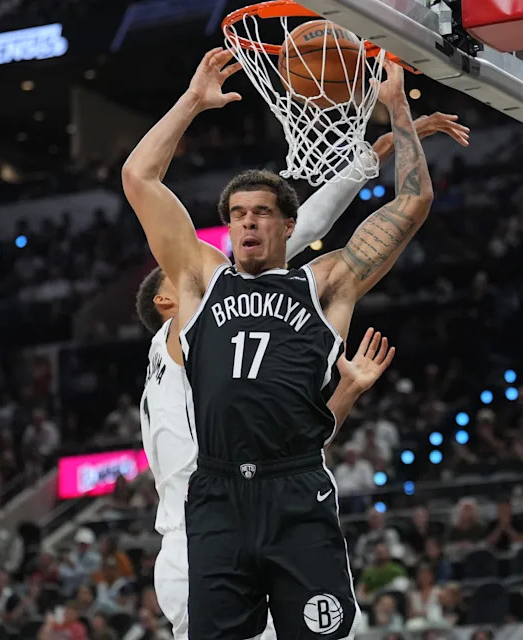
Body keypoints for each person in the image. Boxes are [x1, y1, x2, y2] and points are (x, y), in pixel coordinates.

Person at [123, 45, 441, 639]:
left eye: (262, 212)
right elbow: (138, 178)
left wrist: (396, 107)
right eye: (237, 213)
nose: (247, 221)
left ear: (286, 225)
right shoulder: (199, 286)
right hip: (212, 498)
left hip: (294, 485)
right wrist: (192, 102)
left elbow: (413, 203)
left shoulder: (325, 284)